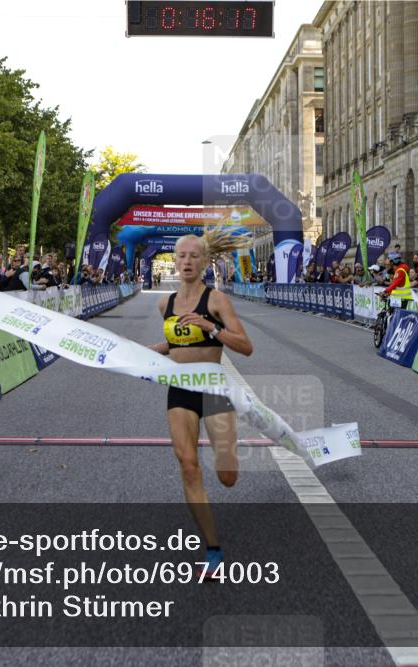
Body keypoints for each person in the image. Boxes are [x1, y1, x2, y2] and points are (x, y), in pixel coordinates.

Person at [149, 231, 253, 579]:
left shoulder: (217, 300)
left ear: (205, 262)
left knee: (227, 476)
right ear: (174, 260)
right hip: (180, 388)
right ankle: (212, 549)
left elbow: (245, 346)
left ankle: (227, 457)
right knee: (189, 465)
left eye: (194, 256)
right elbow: (174, 344)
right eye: (181, 256)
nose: (187, 262)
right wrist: (148, 352)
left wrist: (211, 327)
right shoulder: (165, 303)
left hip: (212, 387)